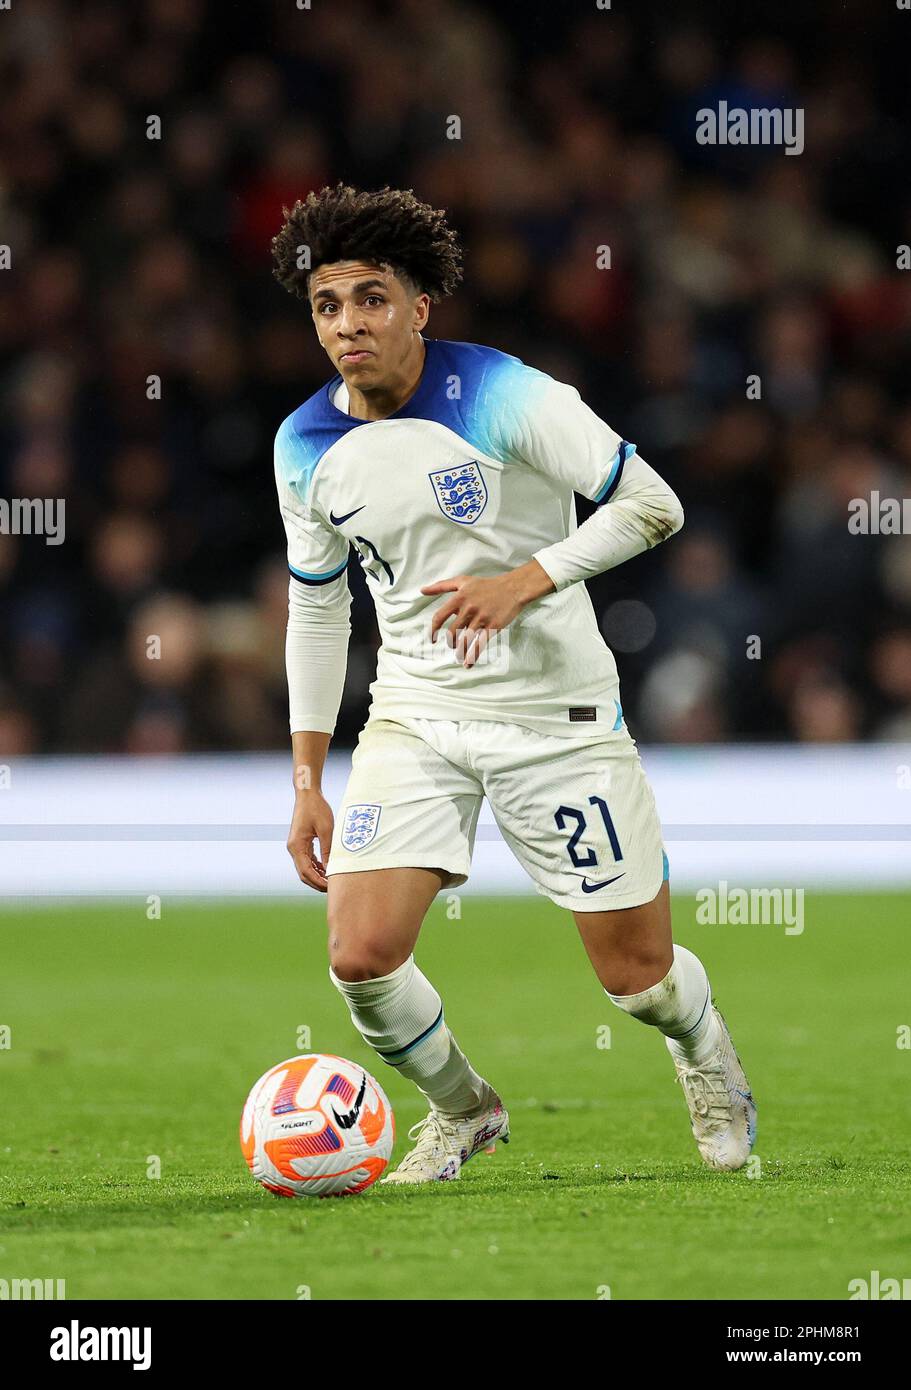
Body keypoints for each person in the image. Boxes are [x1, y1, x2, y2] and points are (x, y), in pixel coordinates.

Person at [270, 182, 756, 1184]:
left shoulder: (505, 395)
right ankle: (464, 1111)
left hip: (555, 717)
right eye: (326, 304)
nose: (347, 324)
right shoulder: (304, 445)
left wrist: (527, 578)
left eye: (369, 298)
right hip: (415, 716)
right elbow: (319, 606)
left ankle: (701, 1049)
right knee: (359, 957)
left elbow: (651, 504)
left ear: (419, 306)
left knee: (637, 980)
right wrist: (307, 779)